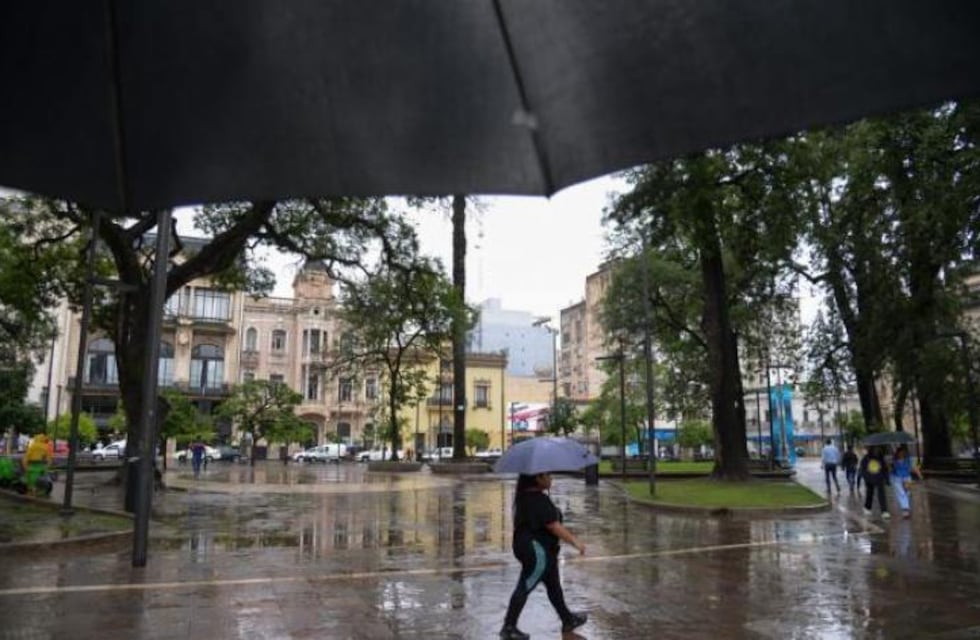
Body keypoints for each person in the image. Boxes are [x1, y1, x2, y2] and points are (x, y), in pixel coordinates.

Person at [500, 472, 588, 640]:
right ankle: (508, 627)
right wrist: (576, 543)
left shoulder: (526, 497)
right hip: (537, 552)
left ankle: (567, 619)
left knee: (554, 586)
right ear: (537, 479)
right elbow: (554, 526)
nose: (551, 478)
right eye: (547, 475)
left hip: (539, 550)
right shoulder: (537, 500)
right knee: (525, 585)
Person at [890, 444, 921, 518]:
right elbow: (891, 470)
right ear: (897, 453)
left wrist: (919, 475)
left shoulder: (908, 460)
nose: (901, 454)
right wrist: (891, 467)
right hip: (897, 478)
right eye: (900, 453)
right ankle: (905, 510)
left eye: (903, 452)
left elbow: (913, 468)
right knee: (901, 493)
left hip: (907, 478)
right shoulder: (894, 461)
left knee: (907, 493)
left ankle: (906, 507)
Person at [860, 445, 890, 519]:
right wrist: (866, 476)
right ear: (872, 449)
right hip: (870, 478)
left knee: (881, 495)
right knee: (870, 493)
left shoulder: (881, 458)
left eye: (878, 448)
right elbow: (862, 469)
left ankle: (884, 511)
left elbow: (885, 469)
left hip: (879, 478)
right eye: (875, 449)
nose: (877, 450)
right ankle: (867, 507)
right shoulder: (866, 458)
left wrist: (886, 478)